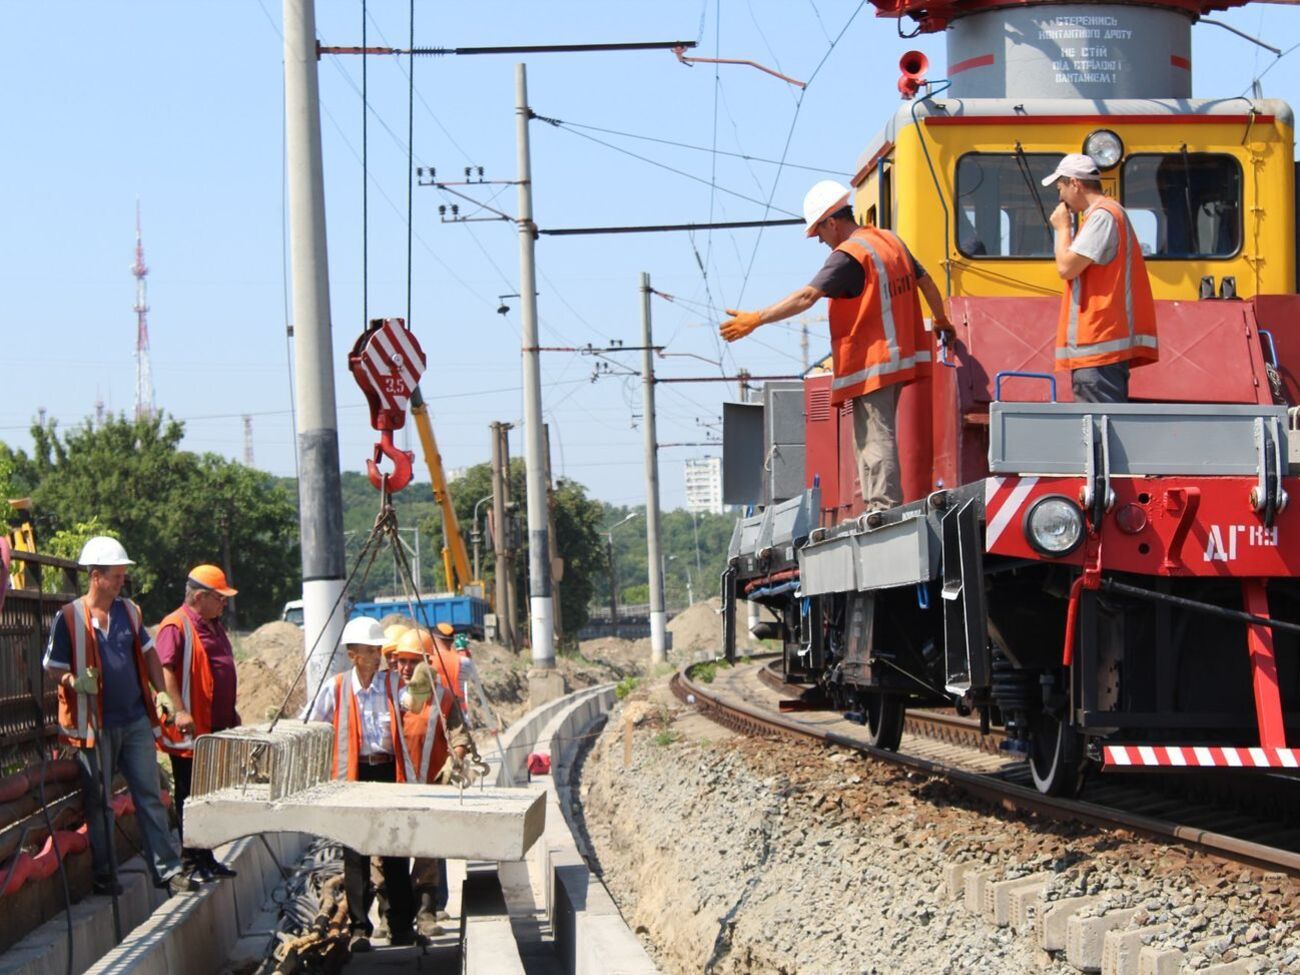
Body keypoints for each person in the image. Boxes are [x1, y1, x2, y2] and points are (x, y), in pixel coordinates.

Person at [720, 180, 953, 511]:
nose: (819, 240)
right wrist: (943, 321)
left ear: (832, 221)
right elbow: (926, 281)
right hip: (898, 356)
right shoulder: (889, 241)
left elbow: (806, 296)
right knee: (873, 434)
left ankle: (882, 508)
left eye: (819, 231)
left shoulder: (849, 256)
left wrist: (756, 319)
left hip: (874, 360)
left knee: (874, 437)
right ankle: (880, 504)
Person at [42, 536, 196, 897]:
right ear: (96, 577)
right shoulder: (68, 618)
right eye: (116, 575)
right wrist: (73, 681)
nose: (121, 581)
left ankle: (168, 870)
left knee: (149, 794)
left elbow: (149, 655)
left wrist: (160, 693)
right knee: (100, 804)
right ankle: (105, 875)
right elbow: (52, 667)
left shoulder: (129, 612)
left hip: (134, 720)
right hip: (95, 728)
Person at [305, 616, 418, 952]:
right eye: (370, 650)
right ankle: (358, 928)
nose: (377, 656)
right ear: (352, 654)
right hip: (353, 776)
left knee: (394, 851)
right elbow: (310, 722)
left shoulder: (393, 686)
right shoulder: (337, 687)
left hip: (387, 773)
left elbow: (418, 704)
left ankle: (401, 925)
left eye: (379, 649)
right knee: (356, 855)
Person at [1043, 153, 1159, 402]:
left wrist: (1063, 229)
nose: (1060, 197)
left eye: (1060, 187)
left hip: (1098, 346)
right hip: (1098, 349)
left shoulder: (1103, 216)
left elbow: (1066, 267)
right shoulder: (1104, 215)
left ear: (1075, 183)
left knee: (1098, 432)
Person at [155, 564, 241, 882]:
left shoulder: (213, 624)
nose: (224, 603)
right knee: (190, 795)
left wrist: (230, 714)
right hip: (192, 729)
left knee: (209, 794)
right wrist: (179, 711)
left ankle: (206, 857)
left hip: (216, 726)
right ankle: (191, 860)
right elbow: (165, 671)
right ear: (200, 596)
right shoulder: (175, 626)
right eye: (219, 598)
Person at [392, 628, 472, 936]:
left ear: (427, 662)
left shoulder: (442, 698)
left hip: (429, 789)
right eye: (401, 662)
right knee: (388, 855)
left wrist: (457, 757)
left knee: (427, 854)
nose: (405, 669)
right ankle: (393, 918)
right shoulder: (389, 694)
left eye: (413, 662)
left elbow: (459, 735)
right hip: (395, 789)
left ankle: (426, 916)